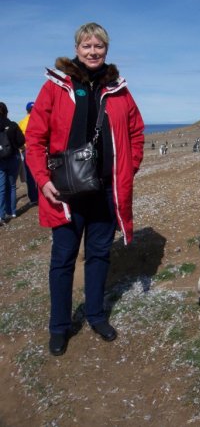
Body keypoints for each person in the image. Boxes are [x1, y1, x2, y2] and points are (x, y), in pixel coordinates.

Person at [25, 22, 144, 356]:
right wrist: (43, 180)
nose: (93, 52)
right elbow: (34, 139)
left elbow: (136, 132)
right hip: (64, 194)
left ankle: (95, 315)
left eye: (99, 46)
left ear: (106, 49)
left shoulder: (119, 89)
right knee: (62, 261)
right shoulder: (55, 87)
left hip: (106, 192)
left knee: (99, 255)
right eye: (87, 46)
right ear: (77, 49)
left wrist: (127, 171)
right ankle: (60, 326)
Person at [0, 102, 25, 224]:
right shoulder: (13, 125)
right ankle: (13, 211)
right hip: (13, 157)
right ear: (6, 112)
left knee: (1, 188)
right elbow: (21, 141)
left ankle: (1, 214)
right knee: (12, 186)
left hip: (0, 160)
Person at [18, 101, 38, 205]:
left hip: (27, 151)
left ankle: (34, 198)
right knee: (41, 173)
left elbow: (18, 139)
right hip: (40, 150)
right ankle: (43, 196)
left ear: (27, 111)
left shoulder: (22, 122)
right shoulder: (40, 120)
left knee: (30, 176)